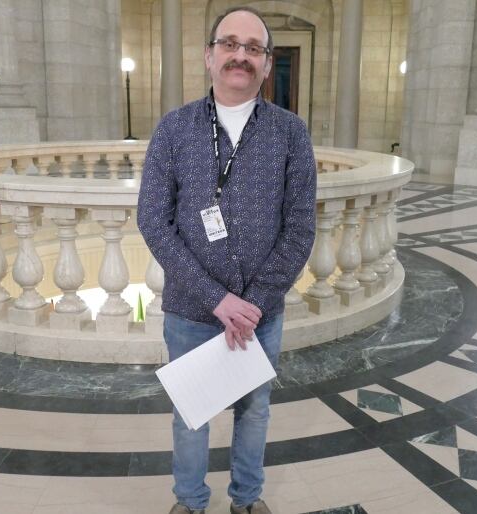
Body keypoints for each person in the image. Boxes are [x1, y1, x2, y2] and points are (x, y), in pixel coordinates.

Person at [137, 6, 317, 514]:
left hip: (262, 313)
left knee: (255, 409)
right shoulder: (173, 129)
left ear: (265, 62)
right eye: (230, 44)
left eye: (253, 48)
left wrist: (252, 304)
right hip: (192, 309)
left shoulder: (290, 132)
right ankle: (190, 502)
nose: (241, 55)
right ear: (209, 56)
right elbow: (153, 220)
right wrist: (217, 300)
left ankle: (247, 499)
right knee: (190, 414)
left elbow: (300, 227)